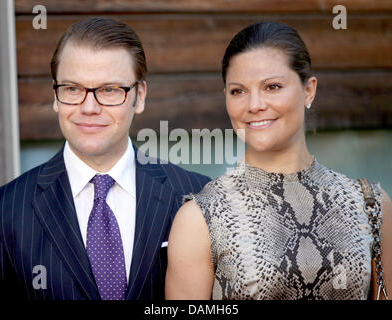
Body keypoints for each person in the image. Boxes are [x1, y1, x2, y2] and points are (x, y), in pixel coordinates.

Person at [165, 21, 392, 300]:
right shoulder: (201, 218)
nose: (254, 104)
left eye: (272, 86)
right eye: (238, 91)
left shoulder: (369, 204)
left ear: (309, 90)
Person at [0, 17, 210, 300]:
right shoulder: (1, 212)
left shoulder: (197, 196)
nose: (89, 107)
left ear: (139, 96)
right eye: (72, 89)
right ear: (56, 95)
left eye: (109, 90)